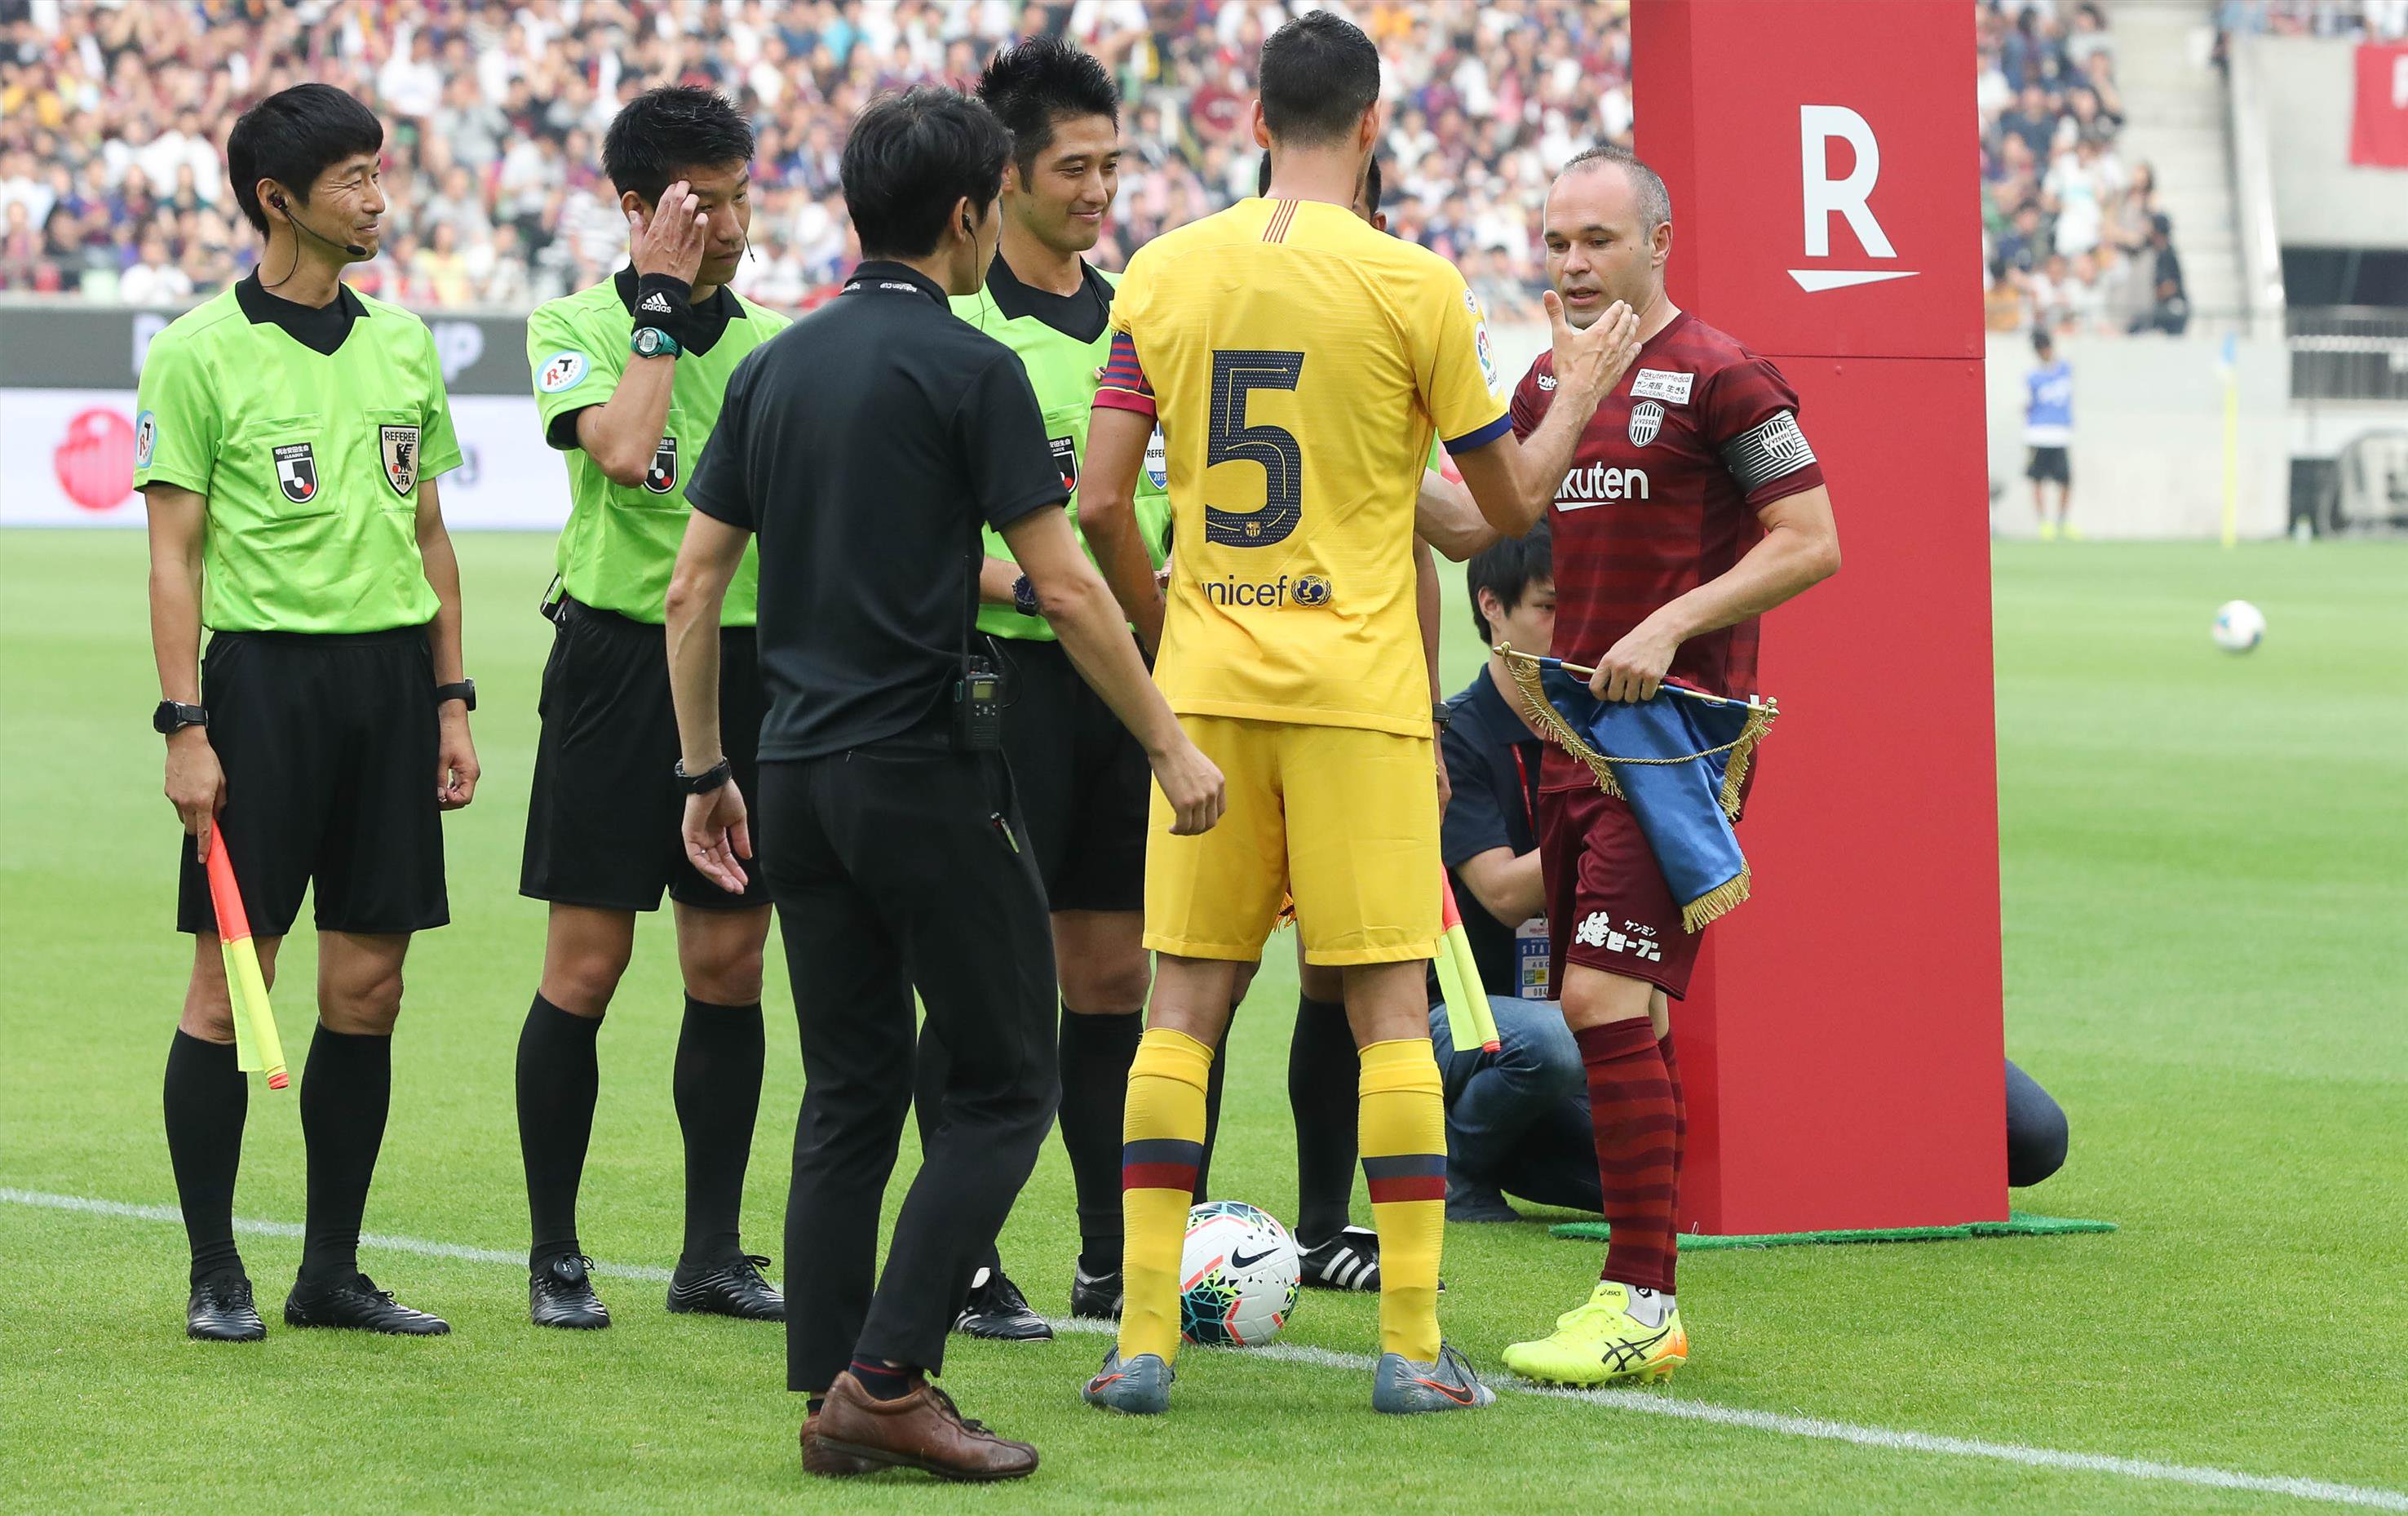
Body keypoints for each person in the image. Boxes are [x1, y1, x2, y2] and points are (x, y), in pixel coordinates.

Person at [1073, 11, 1640, 1417]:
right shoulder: (1412, 283)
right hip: (1359, 697)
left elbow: (1097, 502)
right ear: (1374, 125)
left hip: (1209, 692)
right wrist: (1575, 392)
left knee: (1181, 1008)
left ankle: (1140, 1340)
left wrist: (1170, 634)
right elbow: (1499, 513)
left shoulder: (1164, 270)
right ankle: (1408, 1346)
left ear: (1257, 120)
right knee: (1390, 1014)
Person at [662, 86, 1223, 1482]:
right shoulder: (971, 367)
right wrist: (1167, 740)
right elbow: (1066, 584)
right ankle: (887, 1377)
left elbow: (692, 587)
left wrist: (705, 767)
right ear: (971, 215)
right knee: (1006, 1082)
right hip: (922, 764)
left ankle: (833, 1385)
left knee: (848, 1083)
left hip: (791, 767)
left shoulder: (774, 365)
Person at [1496, 145, 1842, 1390]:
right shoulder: (1549, 379)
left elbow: (1811, 539)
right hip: (1570, 736)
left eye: (1597, 239)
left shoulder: (1722, 374)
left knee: (1596, 1001)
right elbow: (1497, 518)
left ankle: (1638, 1296)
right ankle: (1646, 1294)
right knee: (1627, 1012)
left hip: (1671, 743)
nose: (1574, 263)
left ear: (1658, 242)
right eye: (1556, 242)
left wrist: (1669, 624)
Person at [136, 83, 478, 1341]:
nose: (379, 199)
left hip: (390, 688)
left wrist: (451, 700)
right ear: (278, 200)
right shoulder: (196, 351)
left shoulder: (404, 343)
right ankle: (214, 1268)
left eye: (380, 173)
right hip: (262, 691)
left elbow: (428, 534)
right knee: (233, 984)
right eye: (354, 179)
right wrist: (185, 724)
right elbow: (173, 557)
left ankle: (330, 1271)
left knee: (369, 987)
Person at [512, 86, 792, 1332]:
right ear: (638, 207)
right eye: (702, 204)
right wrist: (662, 303)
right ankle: (555, 1253)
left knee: (729, 966)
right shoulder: (572, 323)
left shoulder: (779, 343)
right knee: (587, 964)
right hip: (617, 666)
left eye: (740, 198)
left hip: (750, 666)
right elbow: (626, 452)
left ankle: (712, 1254)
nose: (730, 226)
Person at [923, 35, 1173, 1340]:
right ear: (1006, 178)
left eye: (1111, 164)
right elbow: (914, 534)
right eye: (1074, 167)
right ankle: (964, 1260)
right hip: (1001, 681)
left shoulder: (1143, 316)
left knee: (1113, 974)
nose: (1099, 190)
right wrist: (1035, 588)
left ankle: (1106, 1253)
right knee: (988, 975)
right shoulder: (956, 328)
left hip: (1122, 683)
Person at [1428, 525, 1603, 1222]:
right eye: (1549, 608)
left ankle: (1511, 1147)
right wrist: (1609, 805)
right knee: (1552, 1044)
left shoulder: (1597, 724)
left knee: (1648, 1175)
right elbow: (1502, 894)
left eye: (1578, 607)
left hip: (1568, 1018)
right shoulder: (1456, 736)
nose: (1570, 628)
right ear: (1491, 607)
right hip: (1451, 1017)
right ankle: (1455, 1169)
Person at [2025, 328, 2076, 541]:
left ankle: (2062, 521)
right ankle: (2044, 523)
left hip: (2060, 434)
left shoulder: (2065, 369)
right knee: (2037, 480)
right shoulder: (2033, 376)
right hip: (2038, 434)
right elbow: (2026, 405)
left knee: (2065, 480)